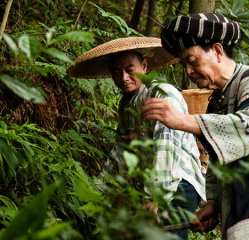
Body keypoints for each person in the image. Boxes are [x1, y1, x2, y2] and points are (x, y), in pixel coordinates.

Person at [141, 13, 249, 240]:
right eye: (184, 64)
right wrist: (214, 203)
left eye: (192, 61)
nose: (188, 71)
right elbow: (218, 160)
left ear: (217, 51)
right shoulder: (218, 101)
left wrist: (183, 120)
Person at [67, 37, 206, 240]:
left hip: (178, 182)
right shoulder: (126, 104)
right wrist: (97, 193)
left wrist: (154, 200)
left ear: (145, 66)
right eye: (116, 72)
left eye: (129, 70)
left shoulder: (161, 94)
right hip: (151, 187)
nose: (123, 77)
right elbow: (121, 152)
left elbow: (166, 148)